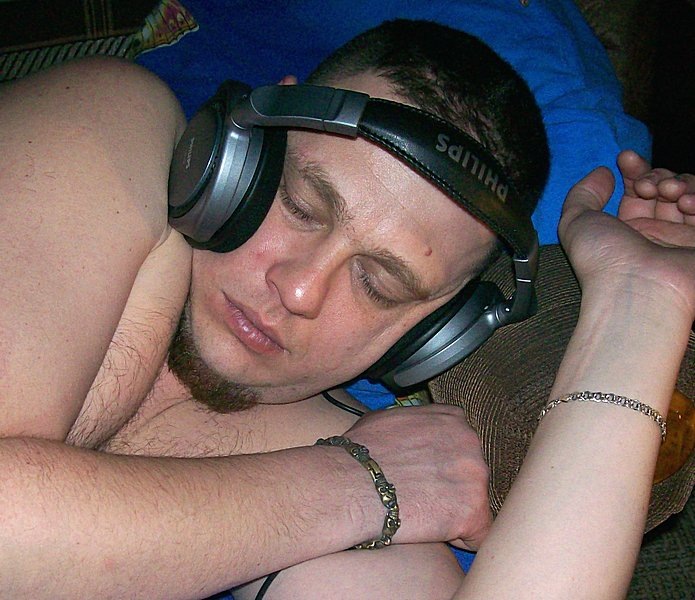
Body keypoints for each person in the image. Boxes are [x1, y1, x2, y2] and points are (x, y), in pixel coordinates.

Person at [0, 18, 692, 600]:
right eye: (302, 206)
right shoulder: (110, 123)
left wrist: (640, 308)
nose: (300, 289)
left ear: (433, 334)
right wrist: (356, 489)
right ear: (243, 146)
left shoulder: (362, 452)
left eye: (379, 284)